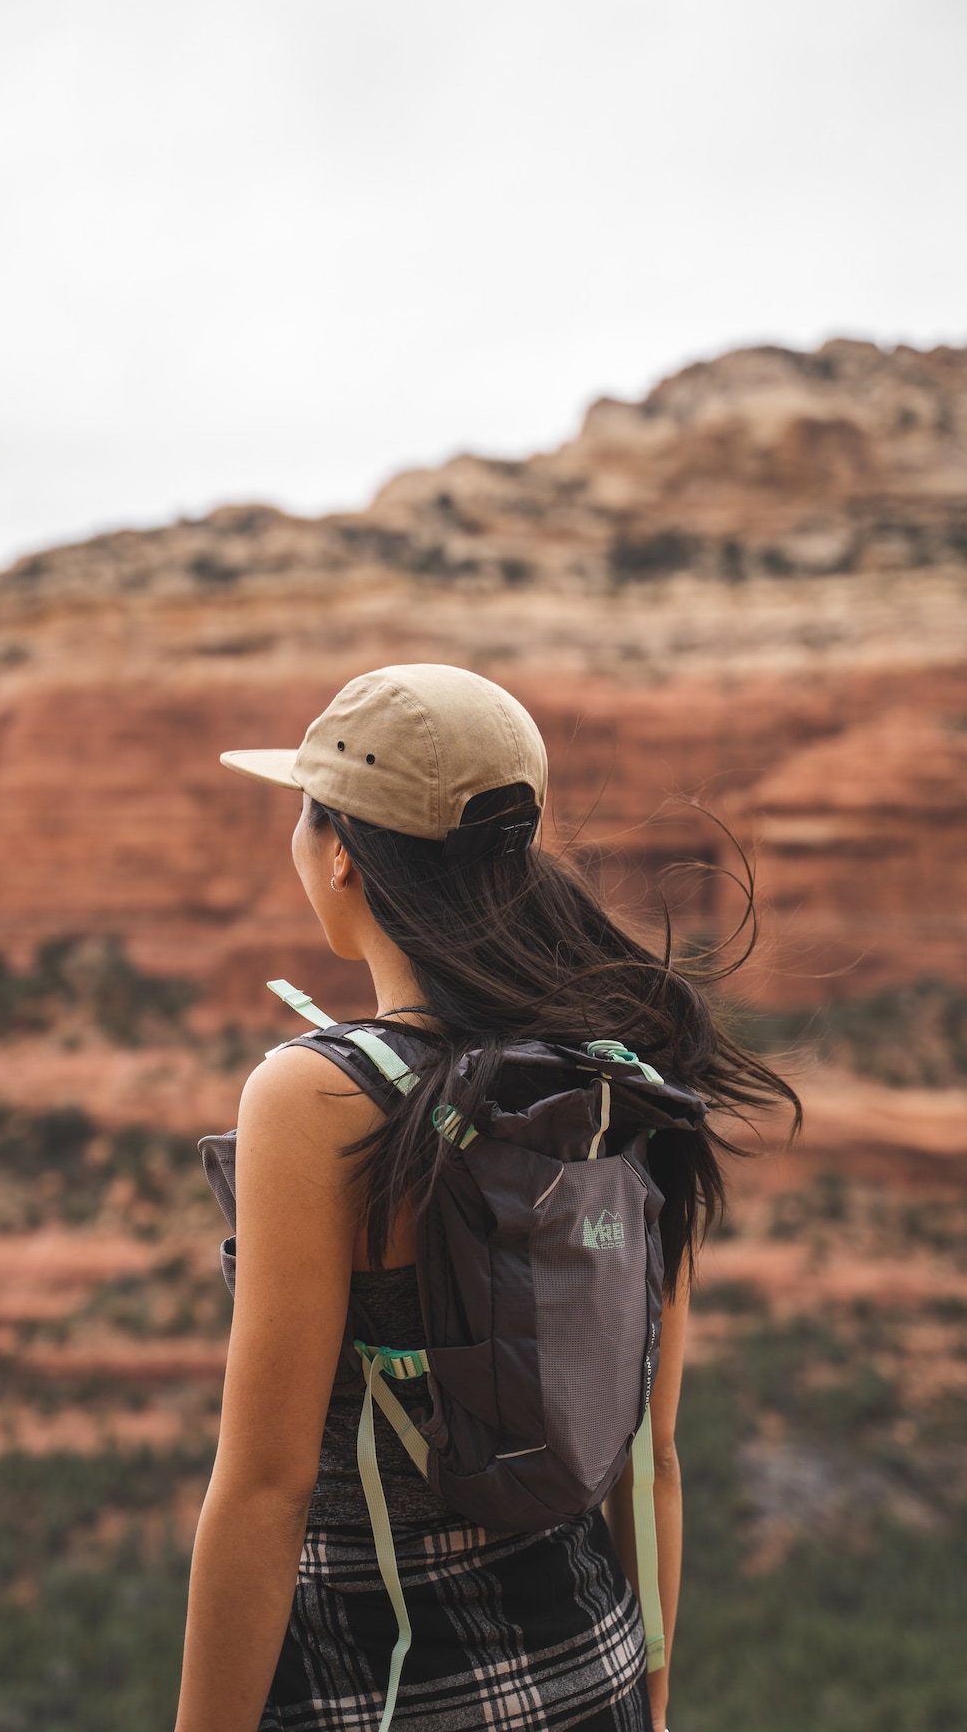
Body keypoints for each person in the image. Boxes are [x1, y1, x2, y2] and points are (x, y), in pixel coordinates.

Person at [175, 664, 798, 1732]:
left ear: (340, 856)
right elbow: (648, 1457)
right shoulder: (618, 1074)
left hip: (383, 1690)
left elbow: (266, 1491)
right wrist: (647, 1701)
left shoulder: (320, 1095)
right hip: (589, 1670)